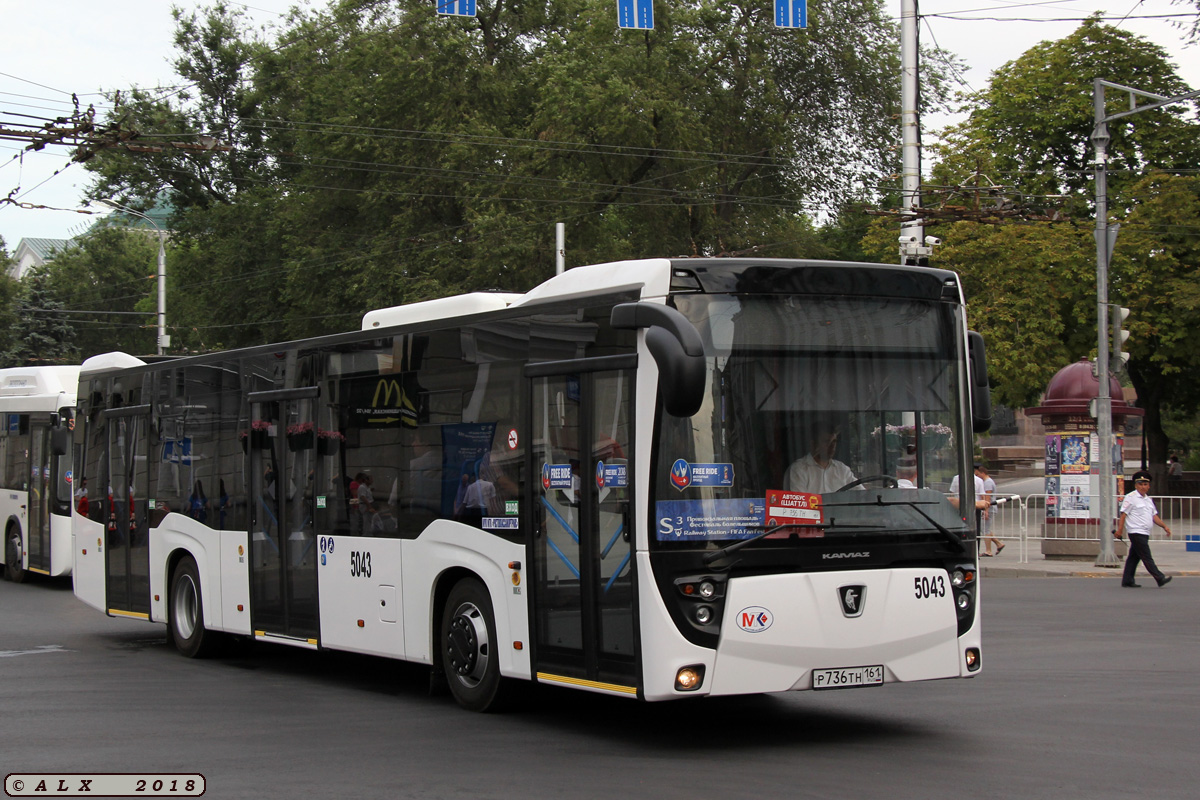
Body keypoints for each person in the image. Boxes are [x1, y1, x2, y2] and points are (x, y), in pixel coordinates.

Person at [1115, 470, 1173, 588]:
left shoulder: (1148, 500)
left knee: (1134, 557)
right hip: (1136, 531)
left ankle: (1127, 580)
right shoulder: (1130, 497)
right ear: (1136, 485)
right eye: (1140, 484)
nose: (1143, 487)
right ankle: (1159, 577)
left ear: (1149, 486)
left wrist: (1164, 526)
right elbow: (1123, 515)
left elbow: (1154, 516)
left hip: (1145, 532)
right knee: (1146, 556)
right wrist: (1119, 530)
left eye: (1145, 484)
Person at [785, 422, 860, 494]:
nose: (832, 446)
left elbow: (862, 494)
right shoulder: (799, 469)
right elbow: (800, 503)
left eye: (834, 442)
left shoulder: (842, 470)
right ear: (813, 444)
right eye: (827, 442)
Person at [977, 465, 1004, 556]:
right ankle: (999, 544)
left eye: (978, 474)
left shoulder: (987, 483)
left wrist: (986, 510)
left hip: (990, 508)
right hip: (991, 508)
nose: (977, 476)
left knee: (985, 530)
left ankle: (988, 551)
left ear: (983, 473)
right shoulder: (988, 481)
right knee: (985, 528)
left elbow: (987, 498)